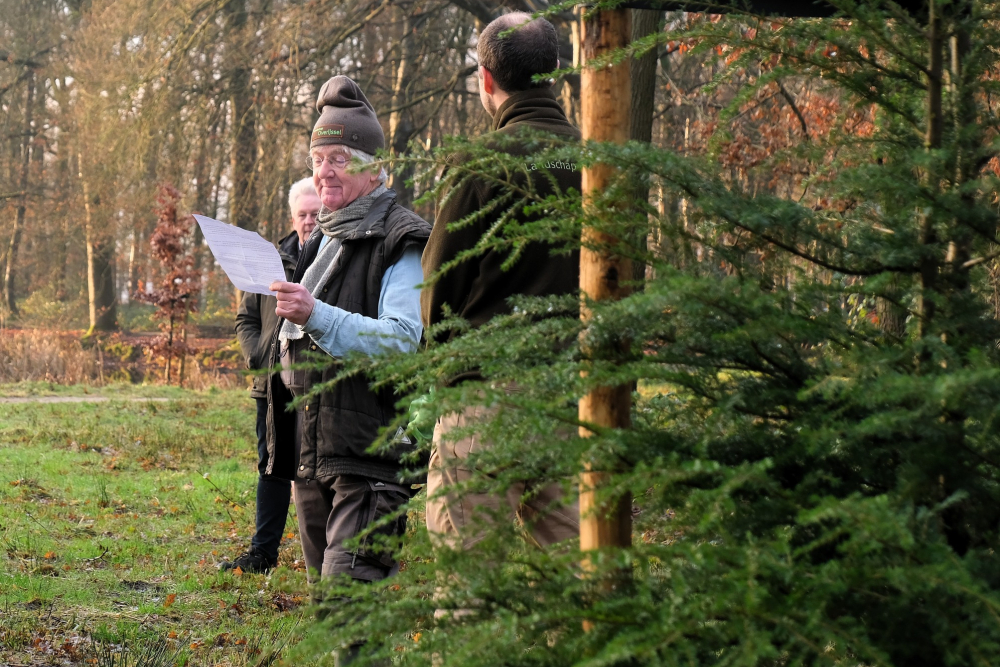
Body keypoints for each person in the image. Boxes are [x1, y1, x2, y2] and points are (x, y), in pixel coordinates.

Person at [420, 13, 581, 550]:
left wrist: (442, 376)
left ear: (486, 80)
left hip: (484, 397)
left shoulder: (482, 164)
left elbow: (439, 280)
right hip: (577, 399)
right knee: (584, 578)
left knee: (470, 588)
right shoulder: (599, 162)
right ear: (554, 71)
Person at [263, 75, 431, 590]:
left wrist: (314, 314)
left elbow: (403, 339)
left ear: (374, 166)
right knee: (330, 612)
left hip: (370, 462)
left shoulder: (400, 238)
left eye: (339, 158)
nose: (324, 172)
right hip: (314, 459)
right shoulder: (325, 238)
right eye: (317, 159)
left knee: (348, 610)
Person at [225, 177, 321, 573]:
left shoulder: (335, 255)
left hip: (318, 382)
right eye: (303, 214)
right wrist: (261, 355)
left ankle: (329, 552)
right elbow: (246, 318)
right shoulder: (270, 261)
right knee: (273, 464)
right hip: (271, 384)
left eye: (316, 213)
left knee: (318, 467)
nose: (310, 221)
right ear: (292, 217)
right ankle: (262, 553)